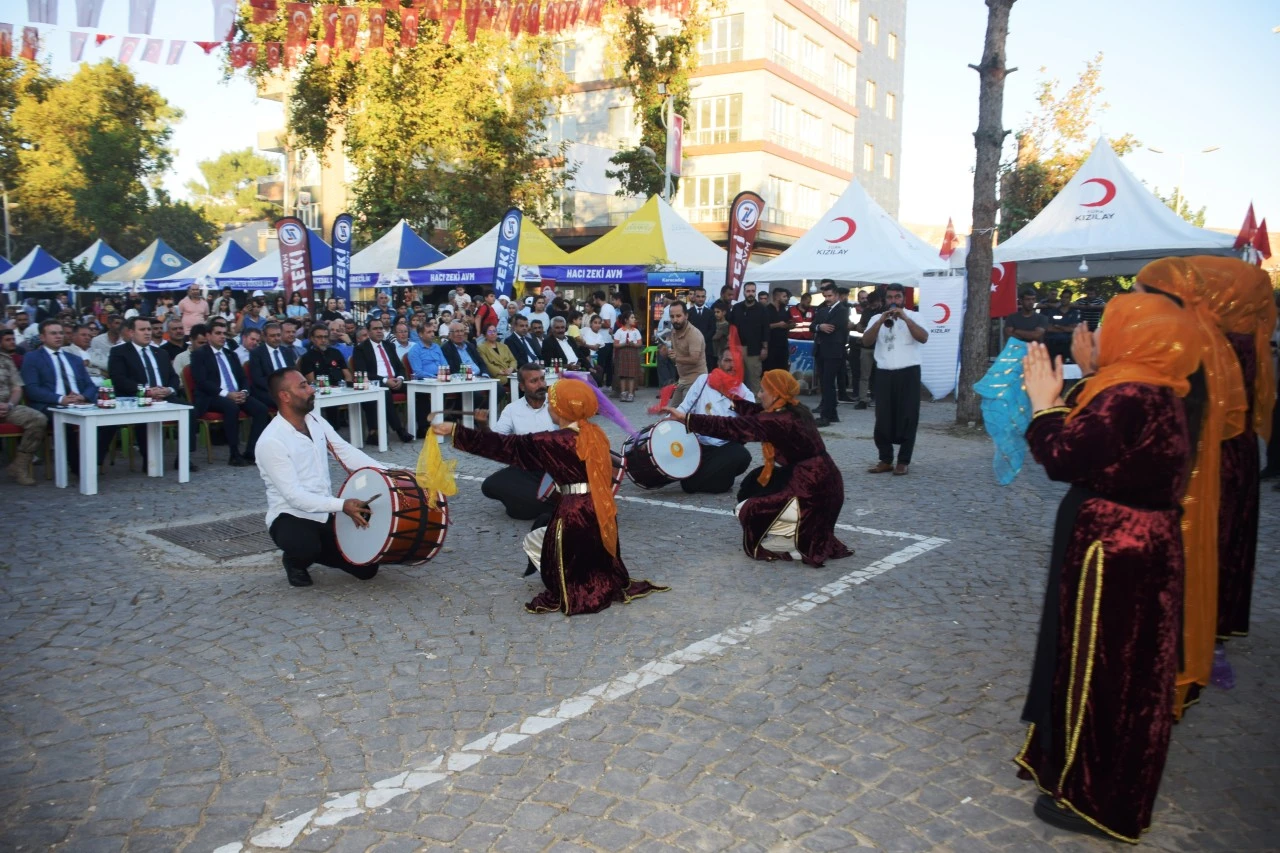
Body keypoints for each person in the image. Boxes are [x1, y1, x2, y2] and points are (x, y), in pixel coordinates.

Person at [1014, 294, 1200, 843]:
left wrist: (1045, 405)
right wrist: (1089, 374)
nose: (1088, 336)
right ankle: (1070, 764)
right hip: (1134, 543)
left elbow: (1066, 457)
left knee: (1104, 667)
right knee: (1106, 664)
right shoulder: (1151, 386)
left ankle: (1096, 793)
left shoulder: (1129, 393)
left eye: (1102, 328)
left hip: (1116, 550)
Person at [433, 378, 669, 615]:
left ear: (564, 408)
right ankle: (600, 579)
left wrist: (455, 431)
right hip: (599, 507)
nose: (549, 407)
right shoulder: (595, 433)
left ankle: (578, 587)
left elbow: (505, 446)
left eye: (552, 404)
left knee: (560, 548)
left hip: (574, 511)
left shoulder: (553, 441)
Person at [1132, 257, 1246, 716]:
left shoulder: (1173, 350)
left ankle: (1157, 676)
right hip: (1182, 488)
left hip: (1166, 497)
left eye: (1140, 294)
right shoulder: (1200, 342)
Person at [665, 368, 852, 566]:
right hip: (828, 482)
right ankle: (795, 531)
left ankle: (794, 536)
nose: (759, 395)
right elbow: (754, 412)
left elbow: (731, 427)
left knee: (748, 509)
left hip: (813, 488)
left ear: (776, 393)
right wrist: (730, 398)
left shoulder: (777, 421)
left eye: (763, 391)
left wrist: (688, 419)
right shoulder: (794, 409)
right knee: (753, 484)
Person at [1191, 256, 1275, 645]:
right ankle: (1218, 629)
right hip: (1238, 450)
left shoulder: (1209, 339)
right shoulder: (1251, 338)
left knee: (1205, 536)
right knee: (1229, 538)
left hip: (1207, 448)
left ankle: (1195, 627)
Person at [255, 368, 382, 588]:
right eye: (303, 386)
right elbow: (294, 497)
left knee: (367, 569)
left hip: (325, 511)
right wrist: (343, 505)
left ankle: (320, 549)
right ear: (285, 396)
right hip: (289, 516)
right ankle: (295, 561)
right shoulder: (271, 441)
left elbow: (346, 453)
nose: (311, 389)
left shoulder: (315, 421)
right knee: (306, 547)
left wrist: (390, 474)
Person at [20, 320, 118, 476]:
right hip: (51, 404)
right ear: (42, 337)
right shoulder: (32, 358)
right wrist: (61, 399)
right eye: (53, 333)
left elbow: (90, 385)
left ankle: (93, 460)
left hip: (79, 402)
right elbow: (32, 389)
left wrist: (83, 396)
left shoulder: (73, 358)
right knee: (66, 422)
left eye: (60, 333)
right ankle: (79, 467)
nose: (58, 336)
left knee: (110, 418)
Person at [108, 316, 195, 472]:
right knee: (146, 413)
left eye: (149, 329)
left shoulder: (160, 353)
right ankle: (148, 459)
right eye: (142, 330)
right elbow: (119, 379)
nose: (148, 333)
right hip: (137, 397)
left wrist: (169, 389)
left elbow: (174, 377)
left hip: (164, 396)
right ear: (131, 332)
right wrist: (146, 390)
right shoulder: (119, 352)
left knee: (189, 410)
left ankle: (183, 458)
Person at [861, 284, 927, 475]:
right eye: (890, 298)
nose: (893, 301)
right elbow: (866, 342)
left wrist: (905, 318)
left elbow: (923, 338)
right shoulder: (876, 318)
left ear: (903, 299)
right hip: (884, 373)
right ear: (885, 300)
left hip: (909, 372)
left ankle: (903, 460)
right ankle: (885, 459)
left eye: (897, 297)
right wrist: (880, 321)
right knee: (882, 417)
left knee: (908, 416)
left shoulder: (914, 317)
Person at [479, 362, 558, 519]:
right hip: (526, 469)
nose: (541, 384)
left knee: (520, 511)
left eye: (542, 379)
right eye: (534, 381)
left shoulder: (558, 404)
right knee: (489, 485)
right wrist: (483, 426)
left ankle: (540, 501)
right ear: (522, 386)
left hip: (556, 469)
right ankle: (543, 501)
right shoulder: (512, 409)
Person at [190, 321, 271, 467]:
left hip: (237, 394)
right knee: (231, 407)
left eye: (225, 334)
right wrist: (227, 394)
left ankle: (251, 452)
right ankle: (234, 454)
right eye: (218, 333)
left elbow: (243, 378)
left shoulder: (231, 354)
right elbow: (202, 382)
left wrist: (244, 392)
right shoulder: (199, 354)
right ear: (208, 335)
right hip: (212, 396)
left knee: (261, 409)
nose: (222, 337)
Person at [673, 349, 753, 494]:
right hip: (697, 445)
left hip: (723, 448)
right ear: (719, 363)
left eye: (735, 362)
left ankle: (708, 479)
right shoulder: (703, 381)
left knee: (743, 456)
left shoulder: (746, 394)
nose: (732, 366)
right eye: (727, 361)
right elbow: (684, 408)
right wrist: (659, 429)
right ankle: (717, 479)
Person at [351, 319, 415, 444]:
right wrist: (386, 380)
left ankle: (423, 426)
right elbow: (363, 372)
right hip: (376, 382)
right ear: (368, 332)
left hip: (396, 380)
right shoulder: (361, 349)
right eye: (375, 329)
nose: (379, 331)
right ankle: (400, 430)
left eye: (381, 328)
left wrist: (400, 379)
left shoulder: (389, 345)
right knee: (384, 392)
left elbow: (400, 367)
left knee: (416, 388)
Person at [0, 329, 46, 485]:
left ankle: (20, 465)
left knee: (38, 419)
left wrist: (11, 404)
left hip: (7, 407)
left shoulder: (5, 360)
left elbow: (17, 388)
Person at [812, 283, 851, 427]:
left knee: (828, 383)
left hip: (834, 351)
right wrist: (819, 326)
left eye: (830, 296)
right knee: (825, 383)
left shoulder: (842, 310)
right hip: (821, 350)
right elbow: (813, 325)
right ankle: (832, 414)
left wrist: (820, 326)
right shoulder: (822, 310)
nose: (827, 298)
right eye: (825, 296)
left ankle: (825, 415)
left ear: (836, 296)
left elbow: (833, 327)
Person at [729, 283, 771, 394]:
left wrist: (765, 348)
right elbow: (731, 328)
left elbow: (766, 329)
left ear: (755, 292)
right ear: (744, 292)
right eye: (748, 291)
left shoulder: (762, 309)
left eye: (753, 291)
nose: (750, 293)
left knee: (754, 380)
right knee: (736, 379)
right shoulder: (737, 308)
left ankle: (755, 406)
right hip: (737, 349)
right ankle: (737, 406)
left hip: (754, 350)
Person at [664, 302, 707, 406]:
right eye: (672, 316)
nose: (675, 320)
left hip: (696, 381)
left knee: (686, 415)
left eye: (678, 316)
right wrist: (664, 351)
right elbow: (673, 354)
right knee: (672, 414)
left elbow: (694, 359)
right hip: (682, 380)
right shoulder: (674, 331)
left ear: (686, 316)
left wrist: (676, 358)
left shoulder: (694, 334)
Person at [249, 322, 298, 407]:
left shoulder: (287, 351)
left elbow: (293, 372)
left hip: (289, 389)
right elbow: (258, 379)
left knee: (307, 398)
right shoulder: (257, 353)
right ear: (264, 337)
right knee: (289, 401)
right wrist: (278, 387)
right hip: (269, 391)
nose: (276, 338)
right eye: (272, 336)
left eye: (278, 335)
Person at [612, 310, 642, 402]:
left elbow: (640, 344)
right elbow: (615, 345)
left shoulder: (636, 331)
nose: (634, 319)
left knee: (631, 375)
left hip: (632, 353)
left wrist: (633, 344)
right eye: (632, 318)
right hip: (622, 353)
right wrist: (624, 343)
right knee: (623, 375)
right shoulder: (619, 331)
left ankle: (631, 393)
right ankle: (623, 393)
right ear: (626, 320)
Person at [87, 314, 125, 381]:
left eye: (122, 324)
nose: (120, 326)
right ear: (108, 325)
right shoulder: (97, 341)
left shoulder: (125, 342)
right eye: (117, 323)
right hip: (102, 377)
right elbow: (92, 362)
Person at [591, 290, 617, 388]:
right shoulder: (610, 307)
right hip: (609, 340)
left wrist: (596, 324)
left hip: (605, 340)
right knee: (608, 364)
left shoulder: (605, 308)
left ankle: (600, 384)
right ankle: (608, 384)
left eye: (594, 299)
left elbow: (607, 323)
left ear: (597, 298)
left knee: (601, 363)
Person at [764, 287, 793, 373]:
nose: (786, 298)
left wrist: (789, 325)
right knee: (771, 371)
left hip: (783, 346)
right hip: (771, 346)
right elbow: (764, 326)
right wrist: (777, 325)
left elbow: (785, 323)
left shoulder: (783, 310)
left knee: (783, 371)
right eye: (784, 296)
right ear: (777, 297)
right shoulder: (767, 310)